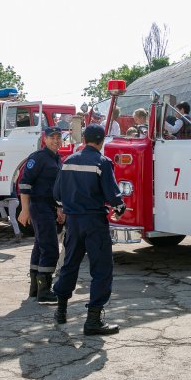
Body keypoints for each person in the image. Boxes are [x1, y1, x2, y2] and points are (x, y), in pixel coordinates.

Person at [52, 124, 126, 336]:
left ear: (83, 139)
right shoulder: (102, 163)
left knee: (70, 264)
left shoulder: (68, 161)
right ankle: (93, 320)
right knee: (101, 269)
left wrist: (66, 207)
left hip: (73, 222)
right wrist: (119, 208)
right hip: (94, 222)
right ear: (102, 141)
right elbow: (112, 194)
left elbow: (57, 194)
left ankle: (61, 311)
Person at [18, 127, 64, 304]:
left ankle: (35, 289)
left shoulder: (56, 158)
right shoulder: (38, 158)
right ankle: (45, 291)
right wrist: (24, 209)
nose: (56, 140)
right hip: (38, 206)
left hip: (49, 206)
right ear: (44, 139)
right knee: (50, 248)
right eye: (52, 137)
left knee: (40, 246)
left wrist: (59, 208)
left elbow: (55, 188)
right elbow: (25, 184)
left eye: (58, 137)